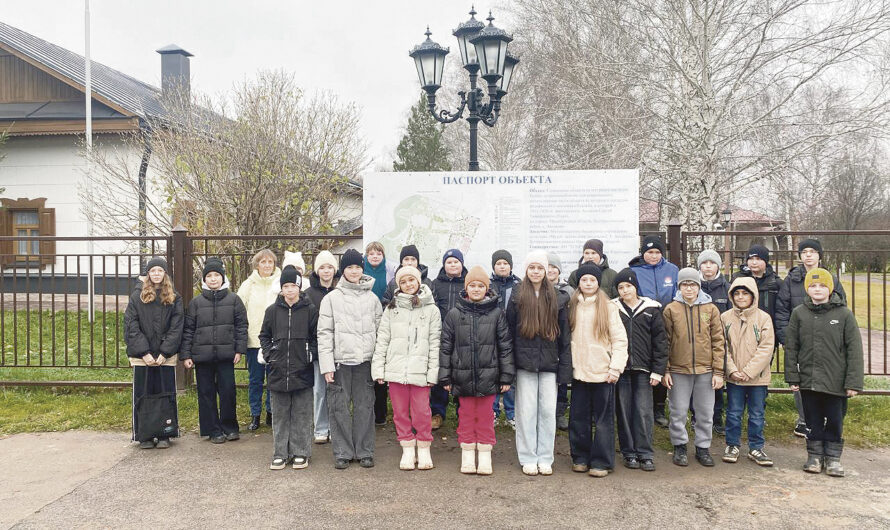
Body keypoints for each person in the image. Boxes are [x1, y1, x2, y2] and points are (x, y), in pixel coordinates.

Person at [785, 268, 863, 477]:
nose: (817, 289)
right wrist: (793, 376)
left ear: (830, 288)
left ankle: (833, 458)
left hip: (836, 381)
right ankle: (814, 456)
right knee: (812, 420)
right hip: (809, 380)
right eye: (813, 285)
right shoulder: (799, 313)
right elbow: (792, 347)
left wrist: (853, 382)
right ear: (807, 289)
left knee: (835, 419)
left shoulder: (844, 314)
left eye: (822, 286)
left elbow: (854, 349)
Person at [440, 266, 514, 475]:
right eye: (472, 285)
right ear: (466, 288)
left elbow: (505, 346)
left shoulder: (497, 314)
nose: (476, 289)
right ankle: (467, 453)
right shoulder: (454, 314)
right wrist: (445, 376)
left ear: (487, 289)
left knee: (485, 416)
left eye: (480, 286)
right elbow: (446, 347)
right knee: (465, 416)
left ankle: (484, 454)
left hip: (488, 377)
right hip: (462, 377)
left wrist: (506, 376)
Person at [507, 251, 572, 476]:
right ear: (526, 270)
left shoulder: (558, 297)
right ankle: (527, 456)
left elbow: (564, 337)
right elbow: (509, 331)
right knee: (526, 411)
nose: (536, 271)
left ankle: (545, 457)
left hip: (549, 364)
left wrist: (565, 368)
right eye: (532, 267)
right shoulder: (517, 295)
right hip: (524, 364)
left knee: (546, 411)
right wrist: (509, 366)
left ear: (546, 271)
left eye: (540, 268)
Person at [318, 249, 383, 469]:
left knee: (365, 407)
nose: (354, 271)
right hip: (340, 363)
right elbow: (324, 333)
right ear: (343, 271)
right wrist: (327, 365)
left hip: (365, 363)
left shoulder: (373, 298)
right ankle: (343, 451)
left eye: (357, 267)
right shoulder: (331, 299)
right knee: (339, 408)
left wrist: (379, 364)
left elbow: (380, 332)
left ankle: (365, 450)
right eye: (349, 267)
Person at [776, 238, 847, 438]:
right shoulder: (792, 279)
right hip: (800, 339)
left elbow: (841, 306)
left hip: (826, 340)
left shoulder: (831, 278)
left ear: (819, 255)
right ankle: (804, 419)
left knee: (826, 377)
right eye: (804, 251)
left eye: (812, 251)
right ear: (800, 256)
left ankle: (825, 418)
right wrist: (785, 338)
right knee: (801, 380)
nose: (808, 255)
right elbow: (782, 310)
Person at [372, 266, 441, 471]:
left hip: (420, 371)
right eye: (403, 282)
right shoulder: (391, 309)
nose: (408, 285)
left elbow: (435, 343)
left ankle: (424, 446)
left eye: (412, 280)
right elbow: (382, 340)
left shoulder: (432, 310)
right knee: (400, 412)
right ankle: (407, 447)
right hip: (396, 370)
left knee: (421, 411)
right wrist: (379, 369)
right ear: (398, 285)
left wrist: (432, 372)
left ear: (419, 282)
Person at [567, 263, 628, 478]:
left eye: (592, 280)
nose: (588, 283)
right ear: (579, 282)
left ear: (598, 282)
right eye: (584, 280)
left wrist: (615, 367)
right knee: (578, 418)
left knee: (603, 420)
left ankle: (601, 461)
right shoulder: (572, 305)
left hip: (602, 372)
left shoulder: (609, 307)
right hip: (579, 371)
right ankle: (580, 457)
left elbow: (620, 340)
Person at [180, 257, 249, 444]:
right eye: (209, 276)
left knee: (228, 392)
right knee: (206, 393)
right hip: (202, 357)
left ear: (222, 277)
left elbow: (242, 326)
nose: (212, 279)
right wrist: (186, 354)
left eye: (216, 275)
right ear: (204, 279)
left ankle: (230, 427)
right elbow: (188, 329)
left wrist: (239, 350)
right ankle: (213, 430)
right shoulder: (196, 303)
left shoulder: (234, 300)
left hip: (226, 355)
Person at [662, 267, 725, 467]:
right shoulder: (671, 309)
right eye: (685, 284)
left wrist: (718, 371)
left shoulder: (711, 309)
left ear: (698, 286)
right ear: (679, 286)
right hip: (679, 370)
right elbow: (665, 341)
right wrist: (666, 369)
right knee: (678, 410)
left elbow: (718, 341)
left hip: (705, 370)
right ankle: (680, 445)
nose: (689, 288)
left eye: (693, 284)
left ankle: (703, 447)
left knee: (705, 411)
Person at [259, 265, 318, 470]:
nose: (290, 290)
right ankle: (280, 453)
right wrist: (270, 355)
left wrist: (310, 354)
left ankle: (301, 451)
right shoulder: (272, 311)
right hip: (278, 371)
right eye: (286, 285)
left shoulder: (310, 310)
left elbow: (316, 337)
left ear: (300, 287)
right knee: (281, 413)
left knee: (302, 413)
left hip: (302, 370)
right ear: (281, 288)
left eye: (294, 285)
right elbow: (264, 336)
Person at [124, 257, 184, 449]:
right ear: (148, 274)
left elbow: (177, 327)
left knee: (165, 394)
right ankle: (144, 434)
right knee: (143, 395)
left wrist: (165, 352)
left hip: (164, 357)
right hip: (144, 358)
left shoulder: (174, 296)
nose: (156, 274)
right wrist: (144, 353)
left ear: (165, 273)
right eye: (153, 271)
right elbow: (131, 326)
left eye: (160, 270)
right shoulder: (137, 296)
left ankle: (165, 433)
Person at [612, 268, 667, 472]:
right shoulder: (614, 308)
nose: (625, 290)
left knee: (643, 411)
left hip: (644, 370)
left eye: (628, 286)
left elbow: (660, 342)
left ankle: (645, 452)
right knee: (624, 411)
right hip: (622, 370)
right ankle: (629, 452)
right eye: (621, 287)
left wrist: (658, 370)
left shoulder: (651, 309)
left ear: (635, 286)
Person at [720, 277, 775, 467]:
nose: (741, 297)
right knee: (734, 412)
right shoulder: (725, 317)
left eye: (745, 293)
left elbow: (766, 348)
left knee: (757, 413)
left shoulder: (763, 318)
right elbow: (722, 347)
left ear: (753, 296)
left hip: (756, 379)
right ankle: (732, 444)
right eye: (737, 293)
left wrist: (750, 371)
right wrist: (732, 370)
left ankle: (756, 446)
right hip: (735, 378)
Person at [629, 235, 679, 428]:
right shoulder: (635, 270)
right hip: (643, 320)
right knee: (645, 360)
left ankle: (659, 407)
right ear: (643, 253)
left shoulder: (672, 270)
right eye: (650, 252)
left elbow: (677, 292)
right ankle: (644, 406)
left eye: (657, 252)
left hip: (667, 320)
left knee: (662, 360)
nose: (654, 256)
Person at [236, 249, 280, 431]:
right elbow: (238, 311)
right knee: (255, 380)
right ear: (257, 265)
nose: (267, 265)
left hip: (275, 340)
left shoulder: (280, 283)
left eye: (270, 262)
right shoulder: (248, 285)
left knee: (273, 379)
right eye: (263, 262)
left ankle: (271, 413)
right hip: (254, 340)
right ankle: (255, 414)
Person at [429, 249, 469, 430]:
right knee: (441, 374)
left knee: (462, 375)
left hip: (464, 336)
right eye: (449, 262)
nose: (453, 265)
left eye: (456, 262)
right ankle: (438, 412)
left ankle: (464, 414)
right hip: (442, 336)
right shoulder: (436, 284)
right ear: (444, 265)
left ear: (462, 263)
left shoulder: (469, 283)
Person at [305, 250, 340, 443]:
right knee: (319, 390)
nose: (326, 271)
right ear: (317, 270)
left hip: (340, 349)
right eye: (322, 267)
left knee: (337, 391)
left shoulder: (341, 291)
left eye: (329, 267)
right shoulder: (308, 294)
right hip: (319, 349)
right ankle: (321, 428)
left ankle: (336, 427)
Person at [697, 249, 731, 435]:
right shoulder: (694, 286)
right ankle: (697, 417)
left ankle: (717, 418)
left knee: (716, 382)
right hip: (697, 343)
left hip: (719, 342)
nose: (708, 266)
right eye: (704, 263)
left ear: (718, 266)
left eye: (712, 263)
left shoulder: (726, 287)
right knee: (697, 382)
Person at [364, 241, 397, 427]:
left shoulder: (389, 271)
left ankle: (381, 413)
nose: (375, 256)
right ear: (366, 256)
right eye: (371, 253)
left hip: (384, 322)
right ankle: (366, 411)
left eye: (378, 253)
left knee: (381, 367)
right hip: (364, 322)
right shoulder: (360, 270)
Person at [490, 249, 520, 427]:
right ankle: (493, 412)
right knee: (493, 375)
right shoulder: (487, 284)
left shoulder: (518, 284)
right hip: (491, 336)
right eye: (499, 263)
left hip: (511, 337)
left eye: (505, 263)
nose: (502, 266)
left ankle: (511, 413)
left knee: (510, 376)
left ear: (510, 266)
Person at [547, 251, 573, 432]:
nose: (550, 270)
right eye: (547, 266)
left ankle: (560, 412)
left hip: (563, 337)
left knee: (562, 378)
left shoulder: (568, 290)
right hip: (545, 340)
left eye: (553, 267)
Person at [731, 245, 783, 328]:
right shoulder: (738, 279)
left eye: (758, 259)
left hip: (768, 327)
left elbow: (781, 310)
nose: (754, 262)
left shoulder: (775, 282)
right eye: (751, 259)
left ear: (765, 261)